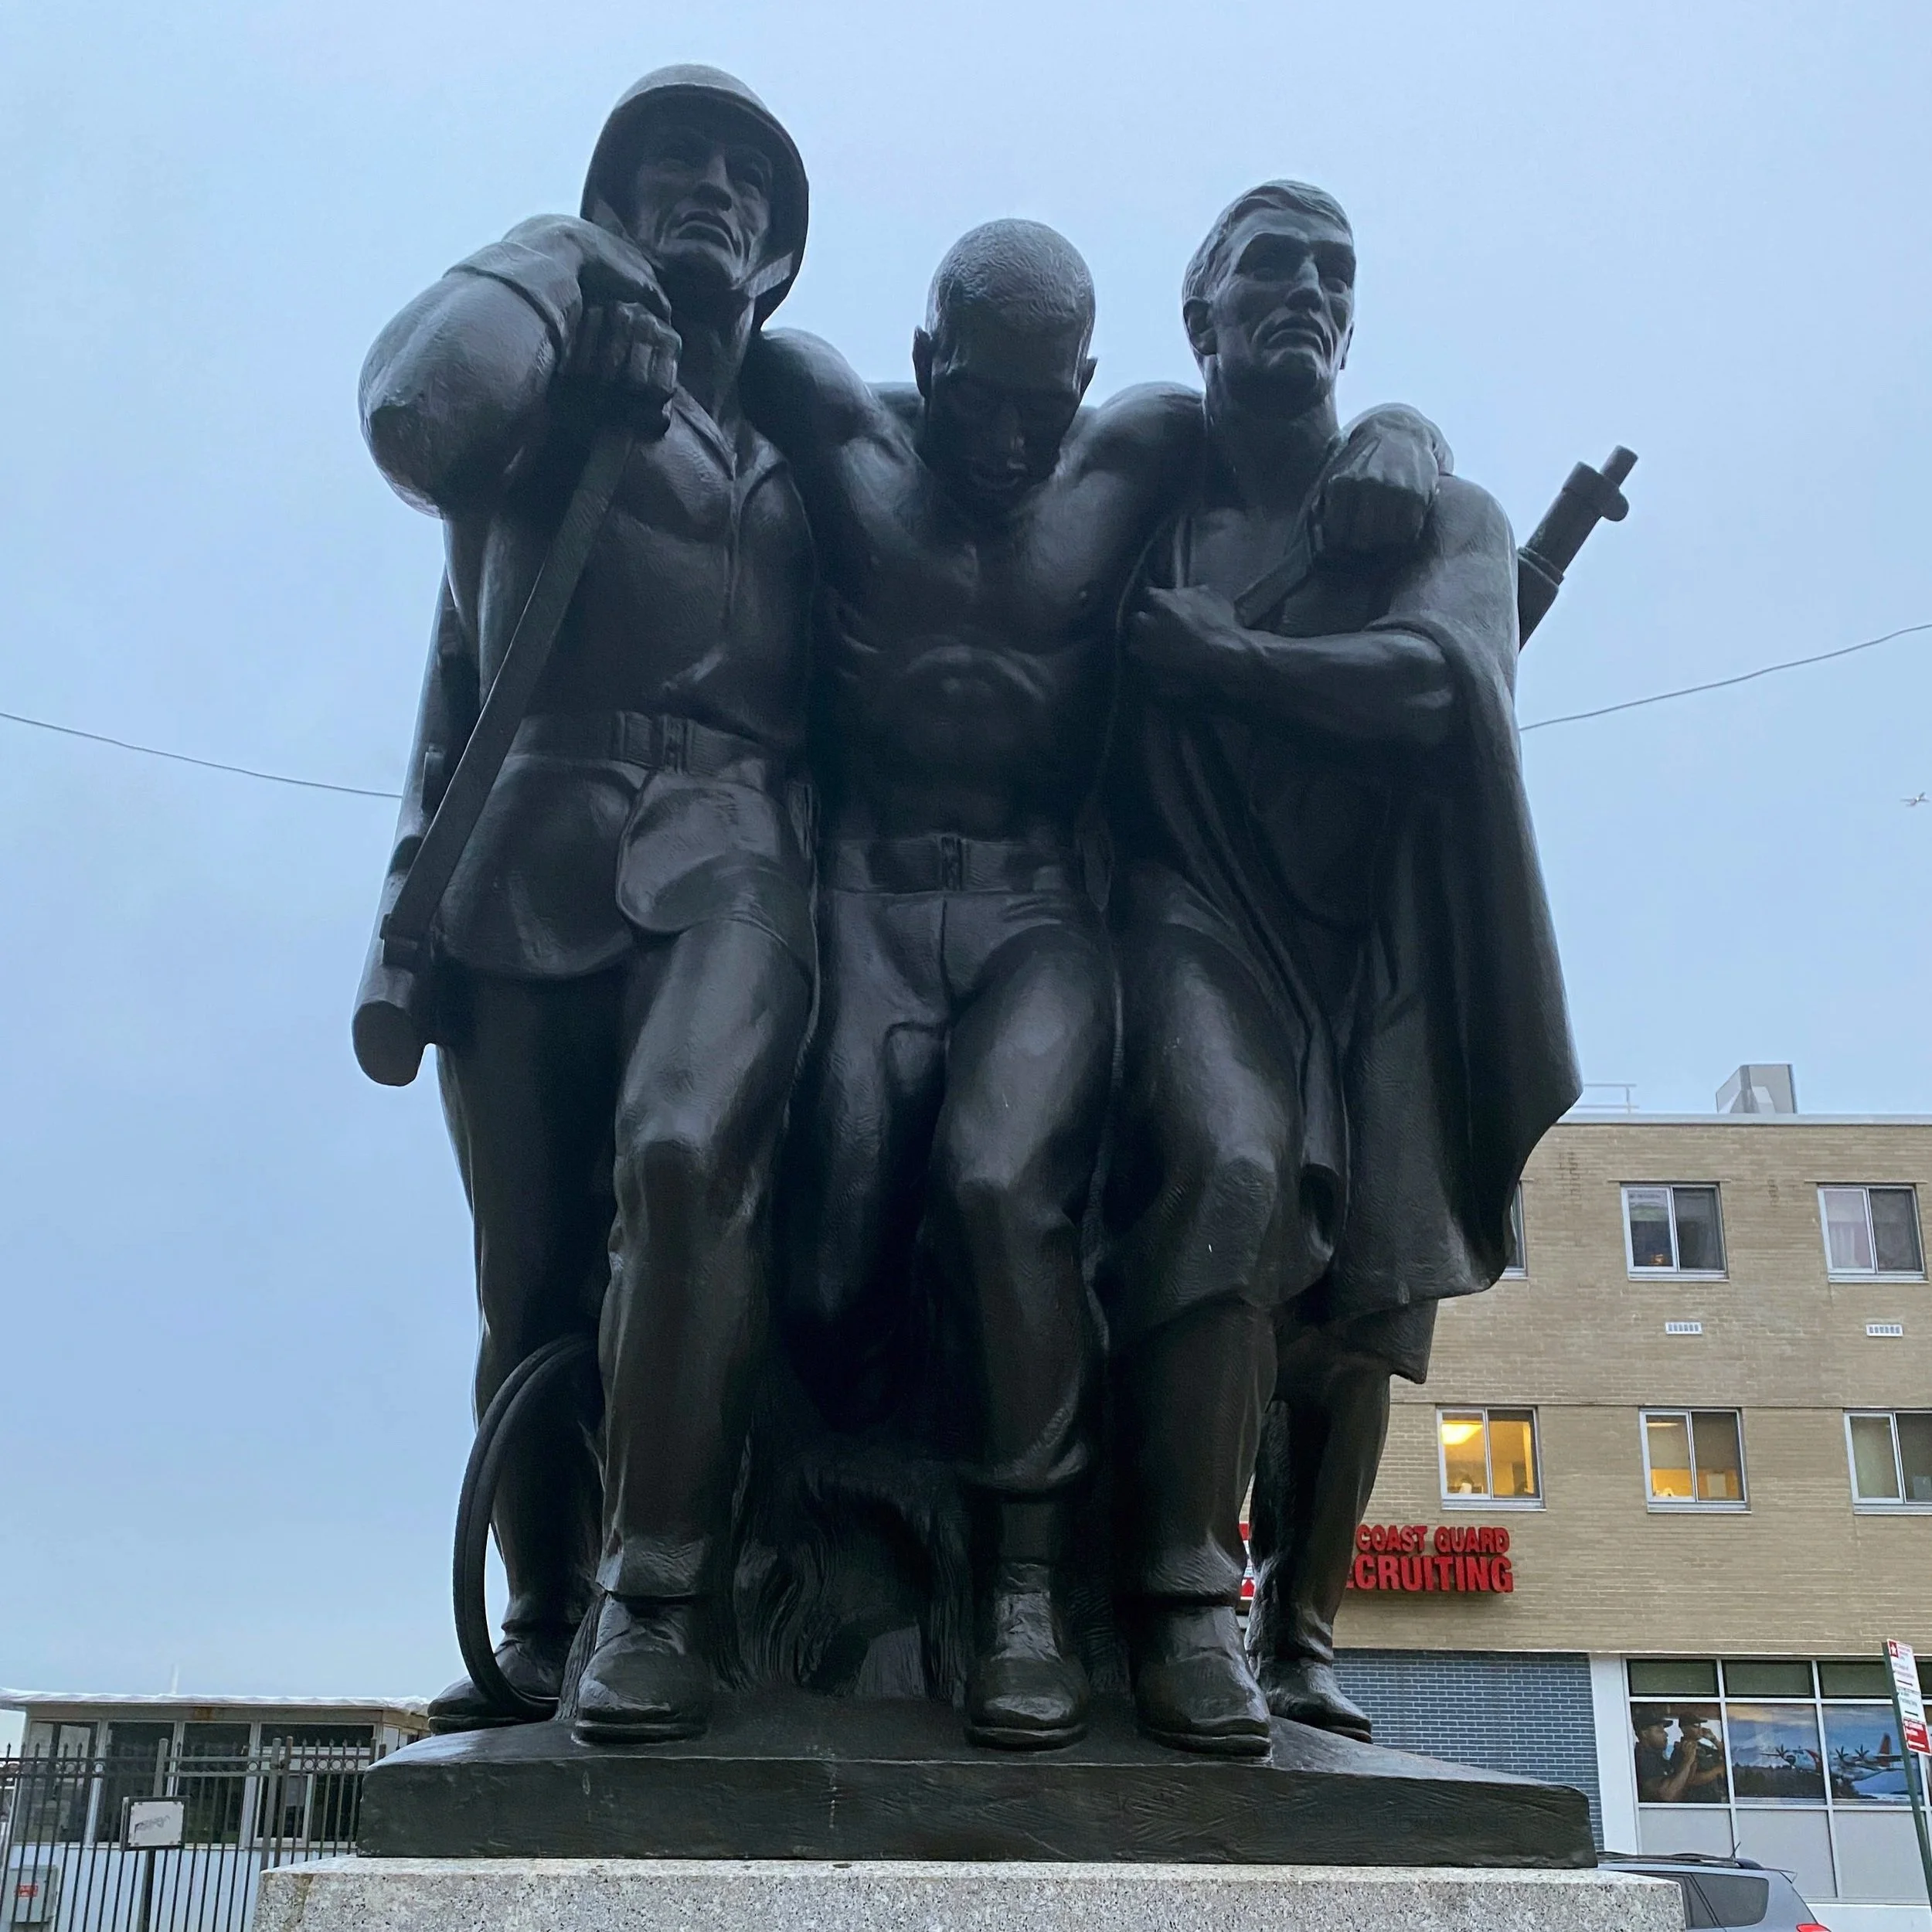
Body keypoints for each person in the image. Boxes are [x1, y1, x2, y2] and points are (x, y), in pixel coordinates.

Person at [740, 220, 1445, 1750]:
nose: (1007, 442)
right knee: (825, 1270)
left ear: (1084, 383)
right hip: (862, 902)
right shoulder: (820, 411)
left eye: (1038, 405)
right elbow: (666, 357)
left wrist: (1405, 428)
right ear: (921, 360)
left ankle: (1024, 1586)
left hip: (1036, 909)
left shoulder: (1136, 450)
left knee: (1004, 1186)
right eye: (975, 399)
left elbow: (1293, 431)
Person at [353, 66, 817, 1743]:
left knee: (685, 1163)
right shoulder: (537, 378)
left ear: (779, 254)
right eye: (673, 166)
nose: (714, 192)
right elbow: (412, 415)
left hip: (740, 856)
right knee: (532, 1280)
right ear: (612, 201)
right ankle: (543, 1611)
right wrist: (560, 265)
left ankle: (659, 1595)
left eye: (746, 182)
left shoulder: (809, 445)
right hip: (532, 855)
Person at [1103, 181, 1580, 1754]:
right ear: (1202, 313)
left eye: (1334, 271)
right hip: (1191, 908)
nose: (1306, 289)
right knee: (1235, 1168)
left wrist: (1233, 657)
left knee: (1369, 1287)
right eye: (1270, 266)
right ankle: (1184, 1595)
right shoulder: (1149, 496)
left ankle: (1298, 1632)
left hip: (1378, 941)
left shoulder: (1443, 513)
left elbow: (1442, 684)